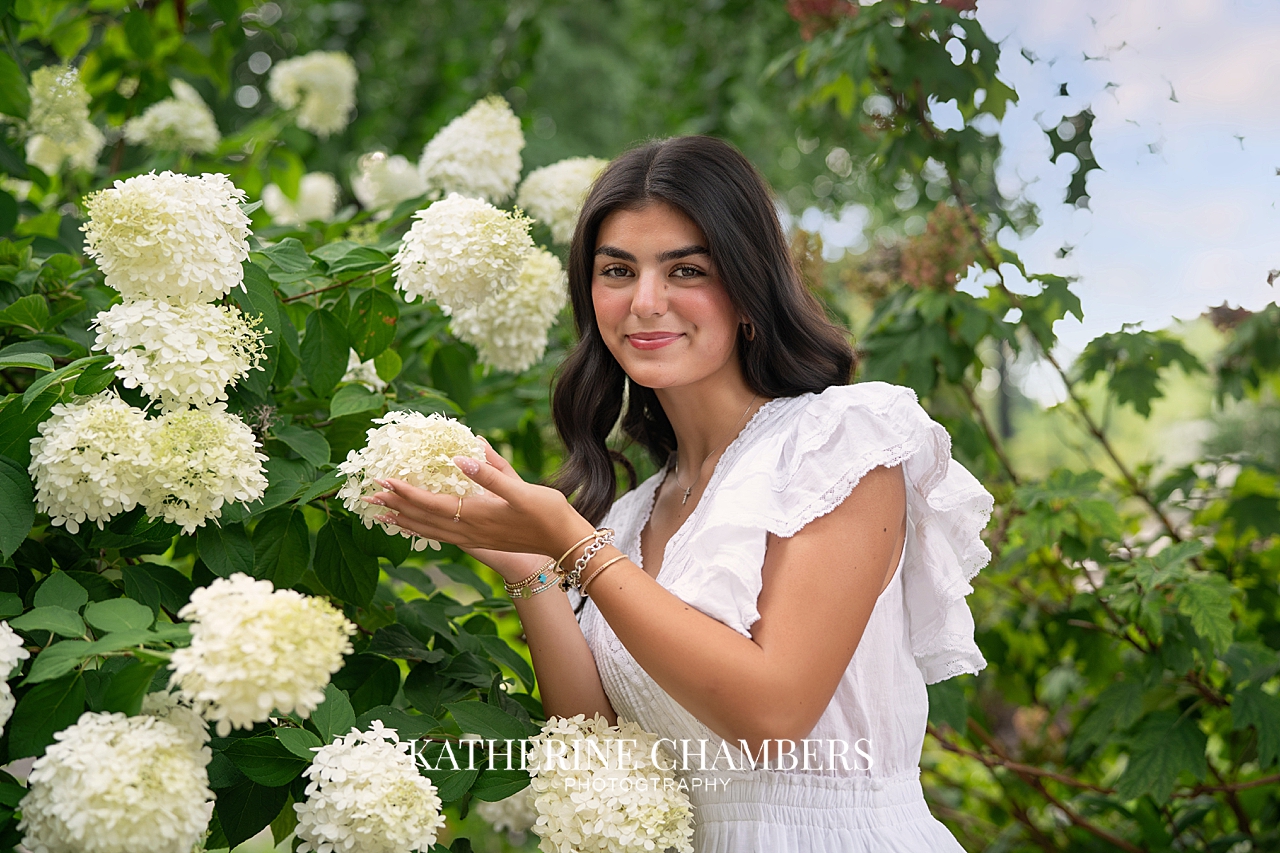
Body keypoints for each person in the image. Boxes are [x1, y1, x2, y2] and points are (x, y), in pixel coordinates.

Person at [365, 135, 994, 852]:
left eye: (685, 269)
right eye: (617, 271)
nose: (646, 302)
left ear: (749, 287)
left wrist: (572, 541)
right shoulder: (627, 519)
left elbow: (775, 713)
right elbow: (606, 758)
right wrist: (528, 563)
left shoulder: (841, 440)